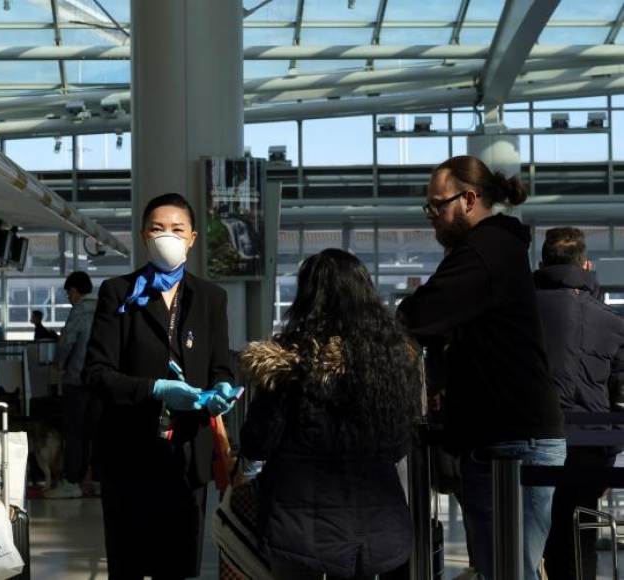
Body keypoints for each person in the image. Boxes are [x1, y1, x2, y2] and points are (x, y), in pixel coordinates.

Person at [397, 156, 565, 580]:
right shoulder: (494, 248)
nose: (433, 217)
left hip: (511, 443)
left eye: (439, 205)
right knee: (505, 568)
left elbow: (420, 313)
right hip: (507, 438)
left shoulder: (483, 252)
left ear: (469, 198)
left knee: (509, 571)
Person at [240, 249, 421, 580]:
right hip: (376, 531)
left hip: (300, 531)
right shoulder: (393, 365)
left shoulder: (289, 363)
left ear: (307, 298)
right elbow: (399, 445)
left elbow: (259, 441)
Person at [84, 193, 237, 579]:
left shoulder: (210, 298)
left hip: (187, 453)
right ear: (142, 236)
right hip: (129, 450)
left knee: (178, 565)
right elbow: (97, 373)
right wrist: (156, 389)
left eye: (176, 229)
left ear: (192, 238)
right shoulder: (119, 293)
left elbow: (221, 365)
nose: (166, 236)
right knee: (129, 563)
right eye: (157, 229)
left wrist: (221, 391)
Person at [536, 228, 624, 580]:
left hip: (538, 441)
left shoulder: (521, 317)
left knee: (540, 535)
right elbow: (620, 399)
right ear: (585, 265)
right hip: (590, 448)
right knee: (581, 536)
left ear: (542, 264)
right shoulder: (612, 322)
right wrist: (608, 453)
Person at [46, 271, 100, 499]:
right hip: (100, 382)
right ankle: (94, 480)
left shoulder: (80, 310)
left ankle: (73, 481)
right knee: (94, 432)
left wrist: (58, 364)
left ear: (74, 291)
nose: (69, 297)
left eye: (69, 293)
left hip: (76, 380)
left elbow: (67, 341)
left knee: (74, 433)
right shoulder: (106, 308)